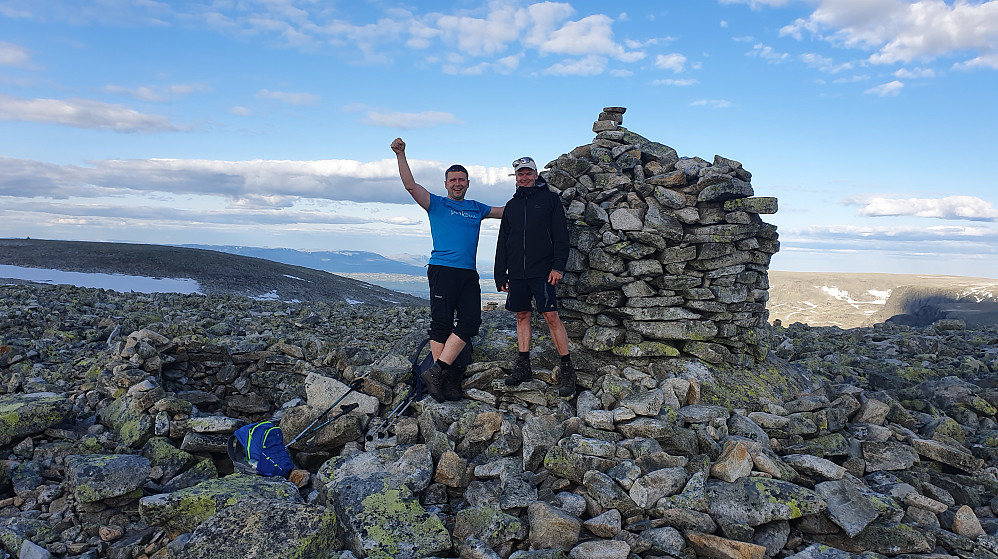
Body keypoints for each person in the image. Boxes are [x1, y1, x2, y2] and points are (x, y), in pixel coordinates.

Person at [391, 138, 502, 402]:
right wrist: (401, 154)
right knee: (441, 326)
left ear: (467, 183)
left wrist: (536, 195)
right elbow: (410, 185)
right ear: (446, 184)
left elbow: (508, 212)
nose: (457, 183)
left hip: (467, 273)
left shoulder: (477, 207)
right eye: (452, 180)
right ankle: (446, 381)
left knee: (471, 322)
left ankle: (437, 371)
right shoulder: (437, 204)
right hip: (442, 270)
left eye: (461, 179)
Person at [494, 156, 576, 397]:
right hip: (517, 272)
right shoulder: (512, 205)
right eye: (520, 174)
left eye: (528, 173)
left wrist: (558, 267)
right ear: (516, 178)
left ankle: (568, 369)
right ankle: (523, 367)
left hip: (543, 271)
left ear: (536, 174)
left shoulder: (550, 200)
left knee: (551, 316)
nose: (524, 177)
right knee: (522, 315)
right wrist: (501, 274)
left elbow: (561, 235)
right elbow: (503, 243)